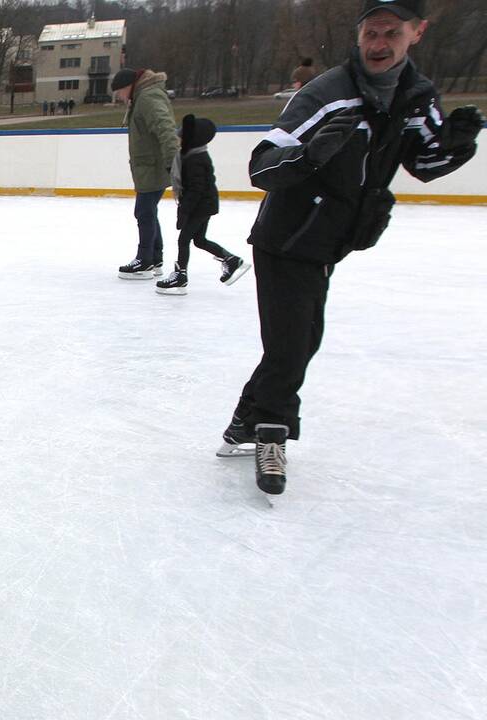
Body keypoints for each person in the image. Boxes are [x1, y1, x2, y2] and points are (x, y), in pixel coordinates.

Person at [218, 0, 482, 496]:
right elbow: (261, 166)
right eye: (371, 33)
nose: (379, 45)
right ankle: (272, 432)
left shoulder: (416, 97)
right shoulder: (328, 94)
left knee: (299, 341)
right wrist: (309, 155)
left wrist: (458, 144)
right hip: (285, 238)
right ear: (359, 34)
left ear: (417, 33)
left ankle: (244, 421)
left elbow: (425, 164)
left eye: (392, 33)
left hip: (332, 240)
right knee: (292, 343)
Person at [156, 114, 250, 295]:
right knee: (199, 240)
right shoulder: (192, 155)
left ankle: (180, 276)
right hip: (204, 205)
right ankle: (231, 260)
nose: (179, 138)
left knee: (184, 240)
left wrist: (184, 212)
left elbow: (195, 189)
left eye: (182, 136)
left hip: (201, 206)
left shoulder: (195, 159)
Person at [112, 66, 179, 280]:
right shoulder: (143, 96)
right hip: (150, 167)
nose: (120, 97)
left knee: (143, 212)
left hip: (154, 166)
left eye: (119, 92)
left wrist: (173, 163)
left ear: (128, 87)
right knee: (148, 211)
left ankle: (145, 260)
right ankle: (155, 257)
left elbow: (165, 128)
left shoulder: (148, 98)